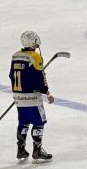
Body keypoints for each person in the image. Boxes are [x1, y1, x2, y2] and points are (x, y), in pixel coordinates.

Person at [10, 31, 54, 161]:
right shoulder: (35, 56)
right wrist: (47, 92)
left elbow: (11, 75)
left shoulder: (15, 56)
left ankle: (21, 149)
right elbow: (39, 79)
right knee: (39, 122)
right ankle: (37, 150)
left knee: (23, 122)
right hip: (32, 98)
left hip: (18, 96)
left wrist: (19, 92)